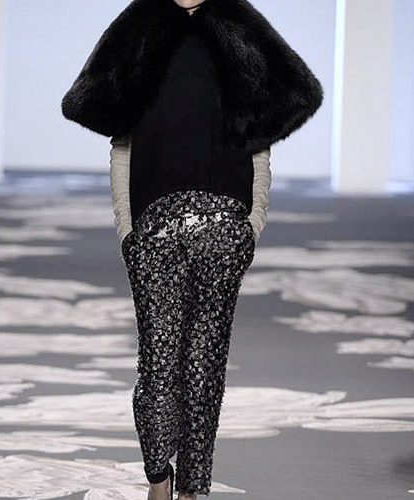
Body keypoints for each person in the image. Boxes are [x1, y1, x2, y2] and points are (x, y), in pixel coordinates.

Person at [61, 0, 324, 498]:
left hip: (225, 223)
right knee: (159, 364)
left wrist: (252, 222)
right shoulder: (139, 26)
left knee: (204, 364)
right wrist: (127, 228)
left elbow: (260, 137)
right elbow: (121, 140)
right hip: (154, 227)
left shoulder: (239, 25)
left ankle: (190, 488)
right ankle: (159, 477)